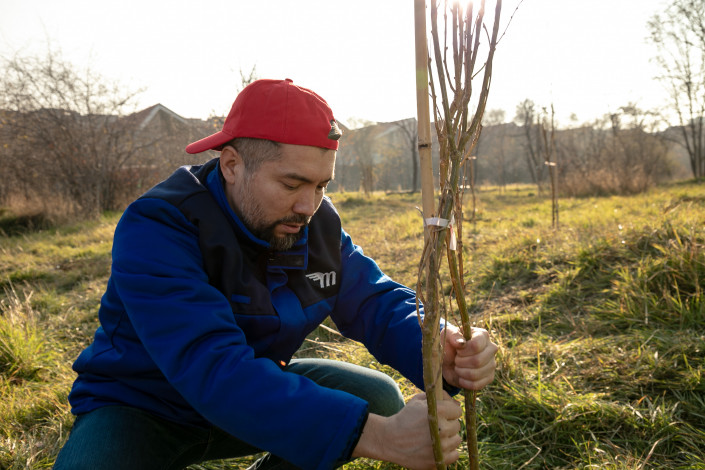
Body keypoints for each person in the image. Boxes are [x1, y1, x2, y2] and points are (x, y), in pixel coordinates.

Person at [54, 78, 498, 470]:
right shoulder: (159, 226)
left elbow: (374, 301)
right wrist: (380, 438)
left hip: (255, 400)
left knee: (376, 398)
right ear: (232, 165)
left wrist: (438, 343)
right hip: (143, 407)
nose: (308, 206)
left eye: (321, 185)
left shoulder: (315, 224)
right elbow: (211, 367)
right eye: (291, 184)